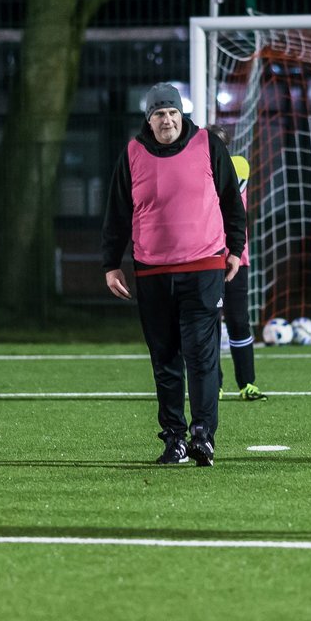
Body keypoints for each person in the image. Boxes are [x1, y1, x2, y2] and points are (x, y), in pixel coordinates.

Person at [102, 84, 247, 466]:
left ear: (181, 114)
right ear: (148, 119)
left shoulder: (207, 145)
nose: (166, 120)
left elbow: (231, 199)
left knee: (200, 355)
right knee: (164, 358)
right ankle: (174, 438)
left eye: (171, 113)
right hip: (151, 271)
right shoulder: (133, 153)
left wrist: (235, 248)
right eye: (158, 114)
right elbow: (117, 211)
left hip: (202, 266)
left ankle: (203, 435)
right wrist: (111, 262)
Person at [206, 123, 266, 401]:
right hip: (205, 259)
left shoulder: (238, 166)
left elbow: (224, 196)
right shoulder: (198, 171)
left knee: (238, 320)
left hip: (235, 258)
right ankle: (212, 384)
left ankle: (247, 383)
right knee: (208, 324)